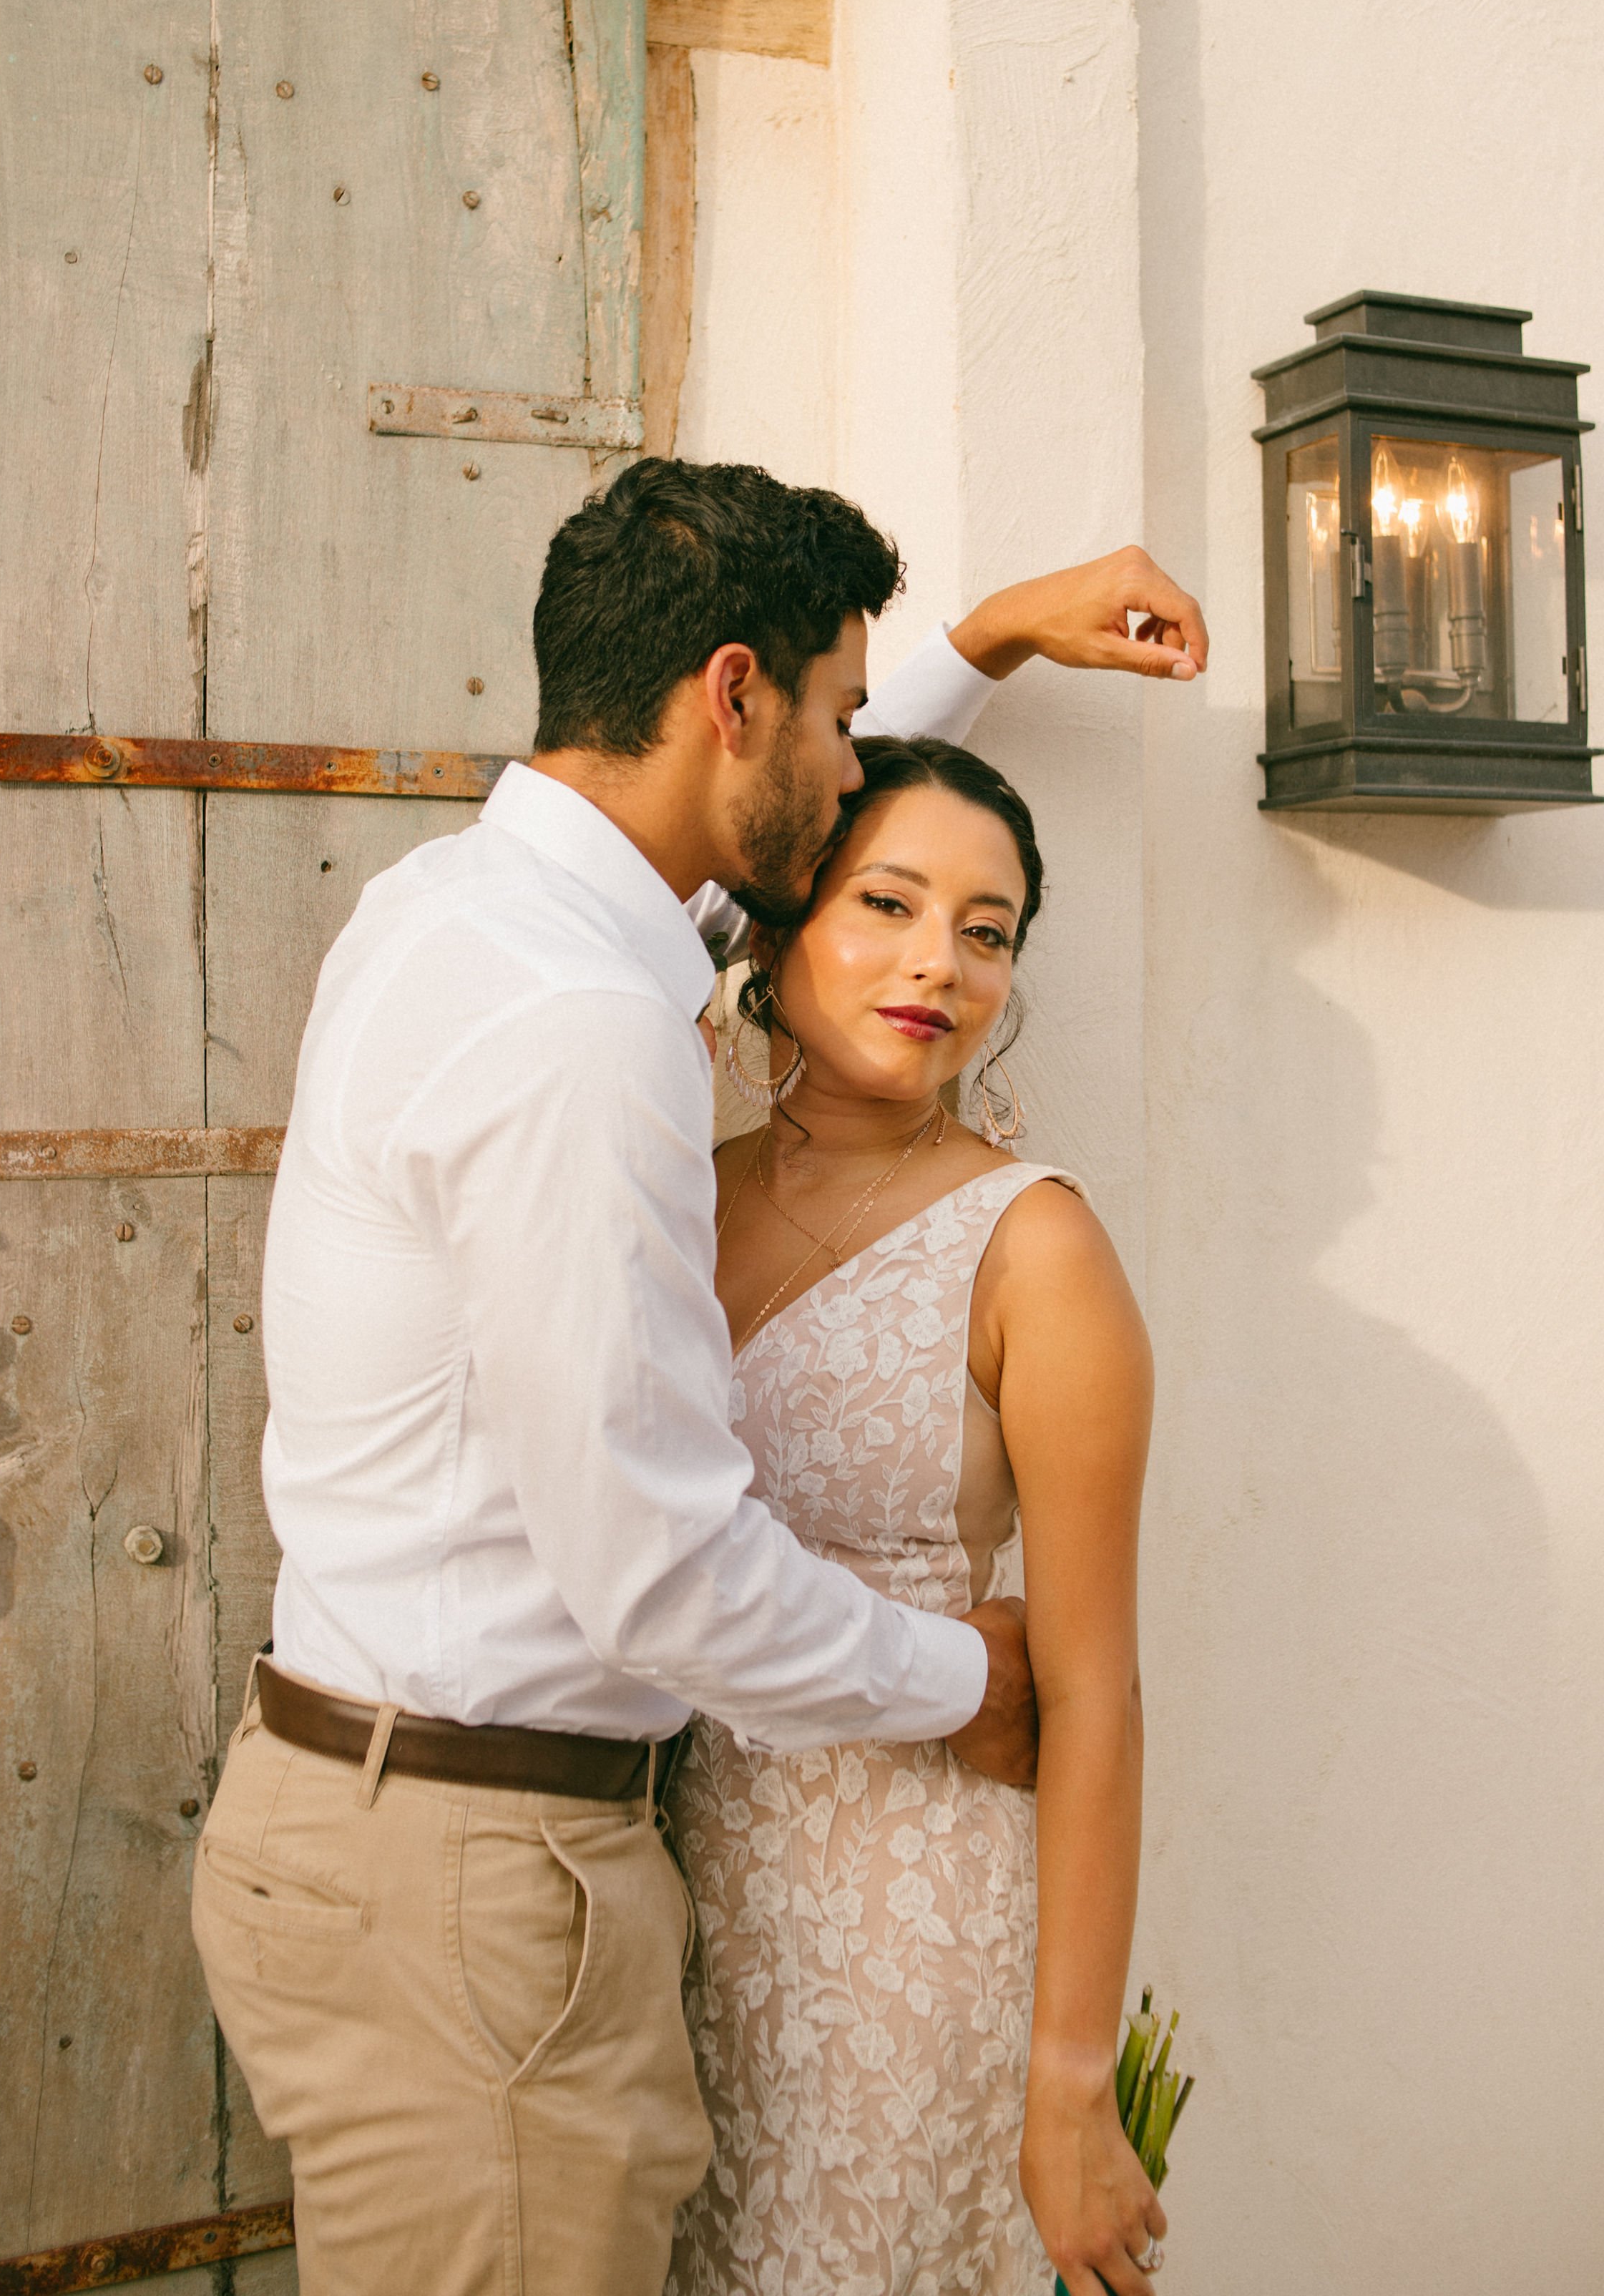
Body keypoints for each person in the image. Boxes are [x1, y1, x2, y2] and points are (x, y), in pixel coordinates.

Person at [190, 459, 1206, 2296]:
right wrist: (953, 1682)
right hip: (482, 1878)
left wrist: (983, 642)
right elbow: (656, 1566)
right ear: (730, 694)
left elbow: (803, 880)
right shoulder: (586, 1027)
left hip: (404, 1823)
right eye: (832, 713)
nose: (843, 767)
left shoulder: (459, 910)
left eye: (985, 931)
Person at [669, 736, 1161, 2296]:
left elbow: (1091, 1690)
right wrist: (1002, 634)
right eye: (887, 901)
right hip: (650, 1890)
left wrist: (1071, 2081)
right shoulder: (663, 1184)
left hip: (905, 1916)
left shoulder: (1037, 1249)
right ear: (780, 918)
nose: (938, 963)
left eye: (988, 928)